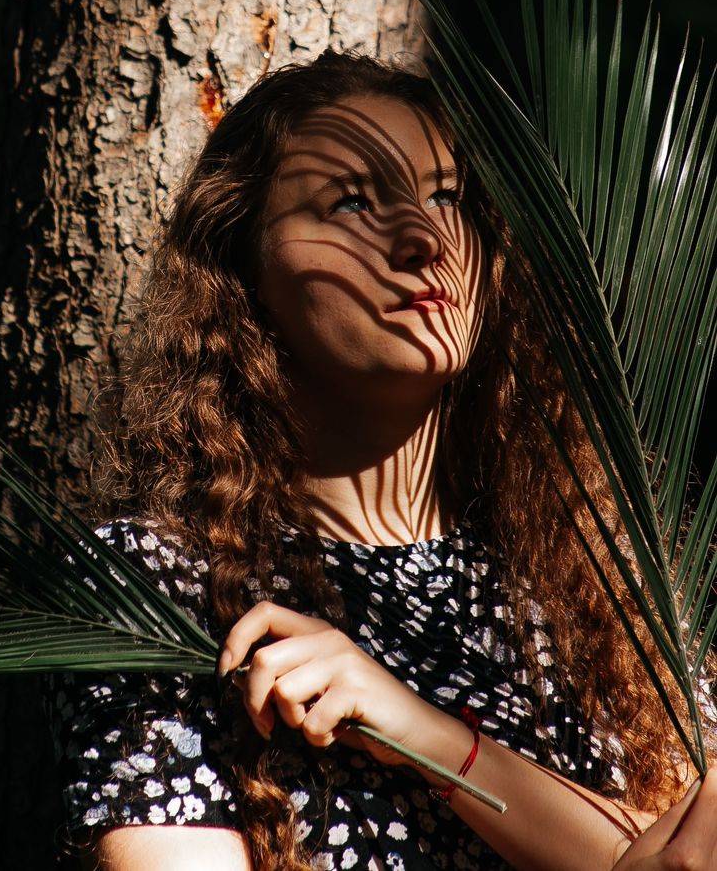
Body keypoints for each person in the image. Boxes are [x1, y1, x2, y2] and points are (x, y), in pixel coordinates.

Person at [47, 49, 717, 870]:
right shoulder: (163, 580)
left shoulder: (596, 566)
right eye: (352, 202)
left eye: (447, 197)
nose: (423, 239)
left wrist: (423, 734)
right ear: (243, 271)